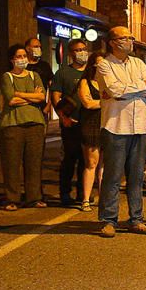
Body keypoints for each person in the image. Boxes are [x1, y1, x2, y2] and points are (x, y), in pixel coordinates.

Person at [95, 27, 146, 237]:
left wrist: (129, 88)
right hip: (116, 127)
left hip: (140, 126)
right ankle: (108, 219)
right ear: (112, 42)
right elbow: (114, 91)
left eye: (130, 37)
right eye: (124, 38)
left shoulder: (139, 63)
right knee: (112, 175)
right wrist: (140, 88)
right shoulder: (104, 65)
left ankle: (136, 218)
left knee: (137, 176)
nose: (129, 41)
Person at [0, 44, 47, 211]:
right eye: (18, 57)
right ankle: (12, 198)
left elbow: (41, 97)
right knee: (11, 163)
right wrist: (31, 97)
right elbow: (11, 100)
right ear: (12, 59)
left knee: (34, 162)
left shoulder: (34, 76)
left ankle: (34, 197)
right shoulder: (7, 77)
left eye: (24, 56)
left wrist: (20, 94)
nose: (22, 59)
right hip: (13, 124)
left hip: (35, 124)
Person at [51, 39, 88, 207]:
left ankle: (83, 193)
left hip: (90, 123)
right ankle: (65, 193)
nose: (81, 52)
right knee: (69, 159)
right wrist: (63, 117)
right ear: (71, 54)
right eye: (77, 50)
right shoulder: (63, 73)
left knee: (86, 160)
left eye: (84, 49)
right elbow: (56, 97)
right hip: (70, 123)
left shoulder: (92, 72)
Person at [77, 52, 105, 211]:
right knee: (91, 163)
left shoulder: (108, 83)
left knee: (104, 165)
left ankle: (103, 197)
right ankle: (86, 199)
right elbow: (87, 103)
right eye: (99, 64)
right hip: (90, 125)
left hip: (107, 124)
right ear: (93, 65)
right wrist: (106, 102)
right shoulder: (85, 82)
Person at [25, 37, 53, 117]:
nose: (39, 49)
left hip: (41, 108)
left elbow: (52, 87)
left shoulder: (45, 66)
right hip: (23, 107)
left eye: (40, 47)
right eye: (36, 47)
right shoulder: (22, 65)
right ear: (27, 48)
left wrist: (48, 107)